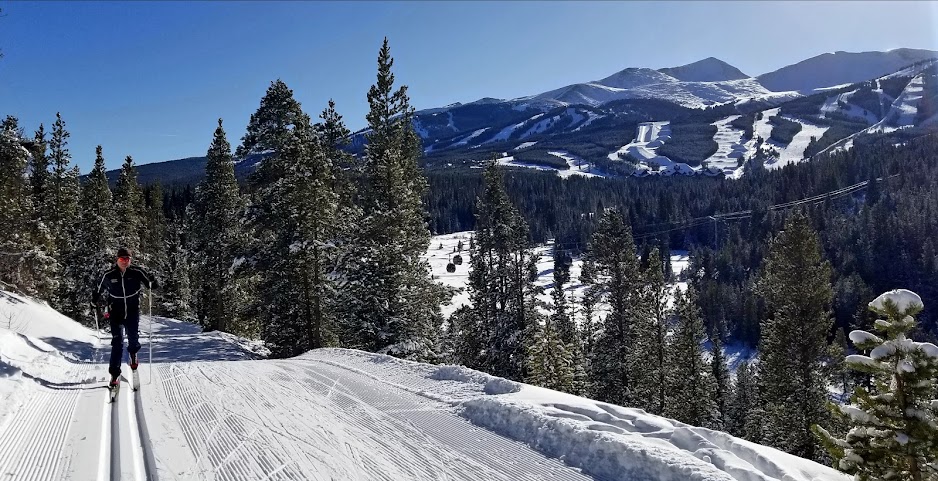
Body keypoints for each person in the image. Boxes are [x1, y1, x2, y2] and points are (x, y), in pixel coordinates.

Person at [92, 247, 158, 388]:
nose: (124, 262)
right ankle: (115, 375)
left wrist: (153, 281)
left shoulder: (136, 272)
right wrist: (94, 300)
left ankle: (133, 354)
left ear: (130, 260)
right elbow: (98, 288)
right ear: (117, 259)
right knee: (117, 343)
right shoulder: (109, 275)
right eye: (122, 259)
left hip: (132, 310)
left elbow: (151, 284)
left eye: (127, 259)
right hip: (116, 311)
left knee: (133, 337)